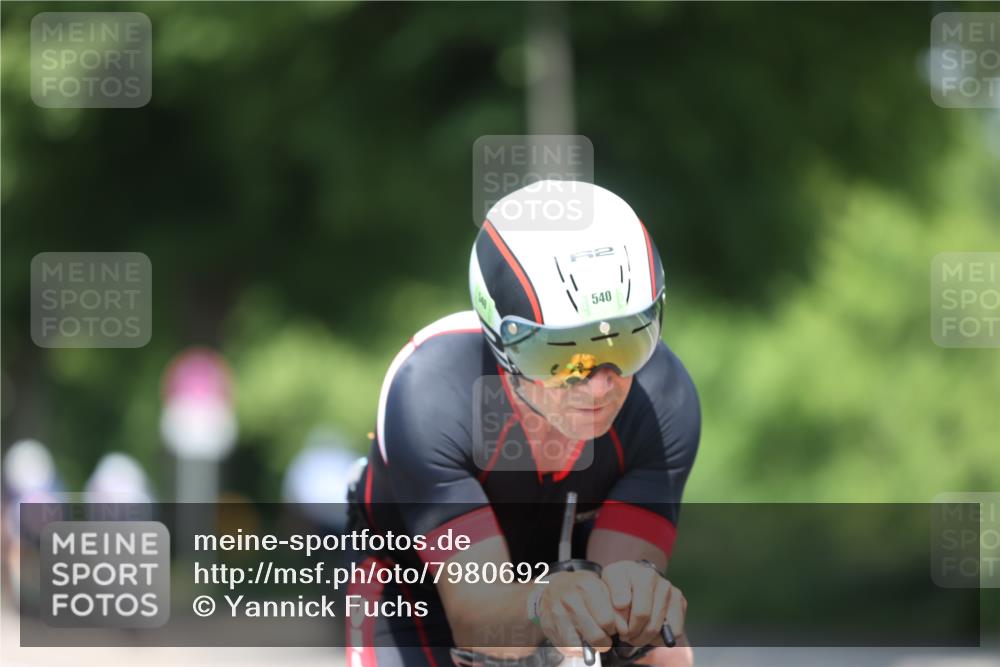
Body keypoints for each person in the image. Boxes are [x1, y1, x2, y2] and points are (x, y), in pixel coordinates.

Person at [347, 181, 700, 667]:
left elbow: (623, 604)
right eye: (560, 357)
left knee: (664, 656)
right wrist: (544, 603)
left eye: (625, 344)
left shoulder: (664, 399)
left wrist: (637, 607)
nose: (598, 386)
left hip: (565, 571)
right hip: (418, 586)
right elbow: (481, 621)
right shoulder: (431, 393)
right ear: (501, 342)